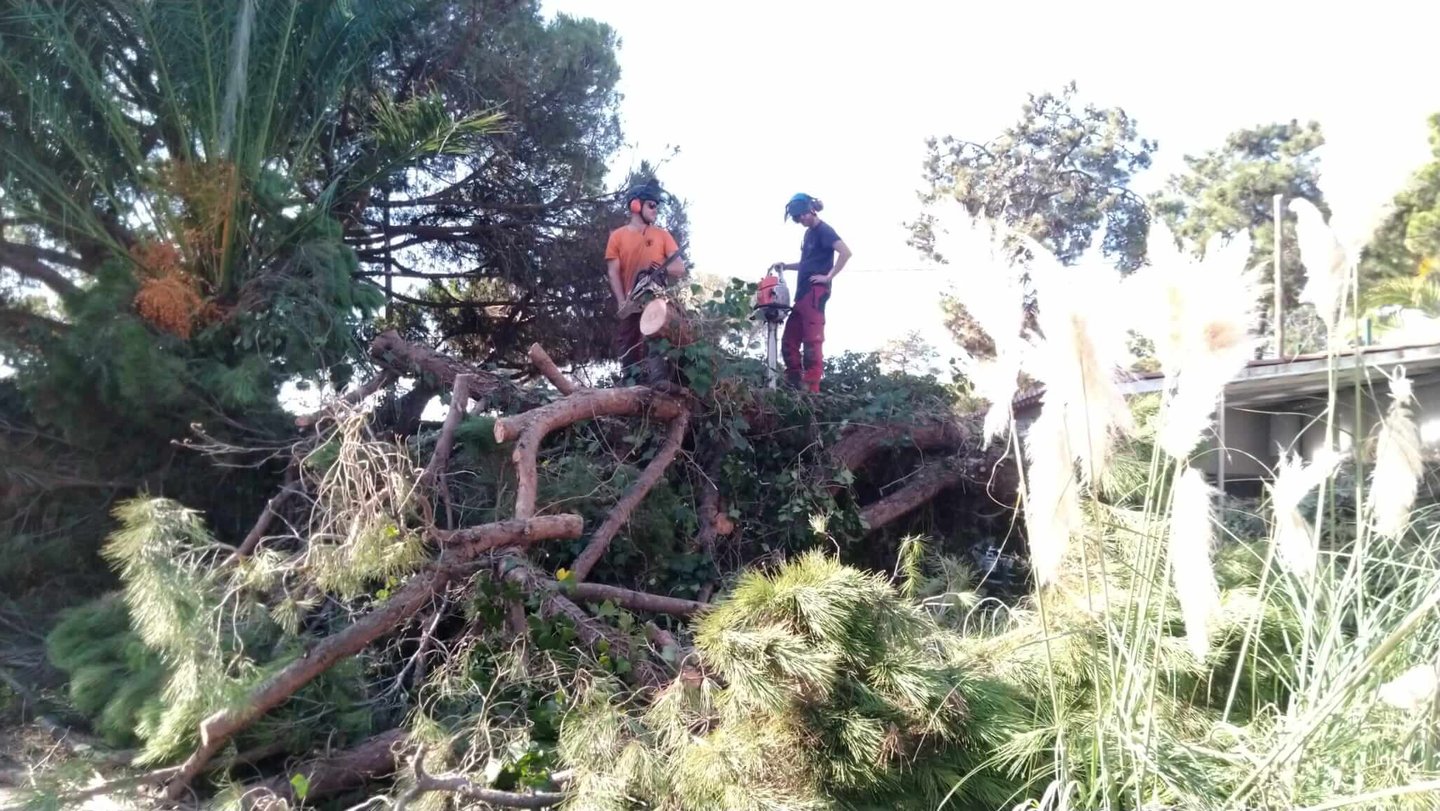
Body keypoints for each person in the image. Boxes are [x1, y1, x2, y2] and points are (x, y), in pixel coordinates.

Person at [605, 181, 686, 376]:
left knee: (656, 340)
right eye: (651, 205)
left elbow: (679, 267)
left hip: (655, 300)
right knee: (628, 347)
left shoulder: (662, 235)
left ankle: (658, 383)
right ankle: (629, 385)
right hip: (631, 301)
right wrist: (621, 302)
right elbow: (613, 272)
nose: (655, 210)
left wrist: (660, 272)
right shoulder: (617, 236)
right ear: (635, 205)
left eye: (656, 206)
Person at [775, 192, 851, 392]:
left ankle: (811, 389)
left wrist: (828, 277)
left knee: (812, 340)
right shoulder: (808, 234)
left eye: (802, 215)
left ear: (811, 209)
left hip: (815, 293)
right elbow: (807, 264)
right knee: (789, 341)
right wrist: (786, 266)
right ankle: (793, 383)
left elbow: (845, 252)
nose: (800, 220)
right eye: (797, 218)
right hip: (801, 295)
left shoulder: (824, 230)